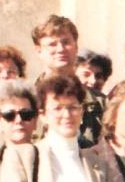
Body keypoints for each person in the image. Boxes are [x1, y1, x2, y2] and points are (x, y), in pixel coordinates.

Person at [32, 15, 103, 146]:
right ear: (39, 51)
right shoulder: (26, 102)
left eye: (66, 42)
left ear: (76, 47)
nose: (60, 49)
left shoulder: (100, 103)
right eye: (52, 44)